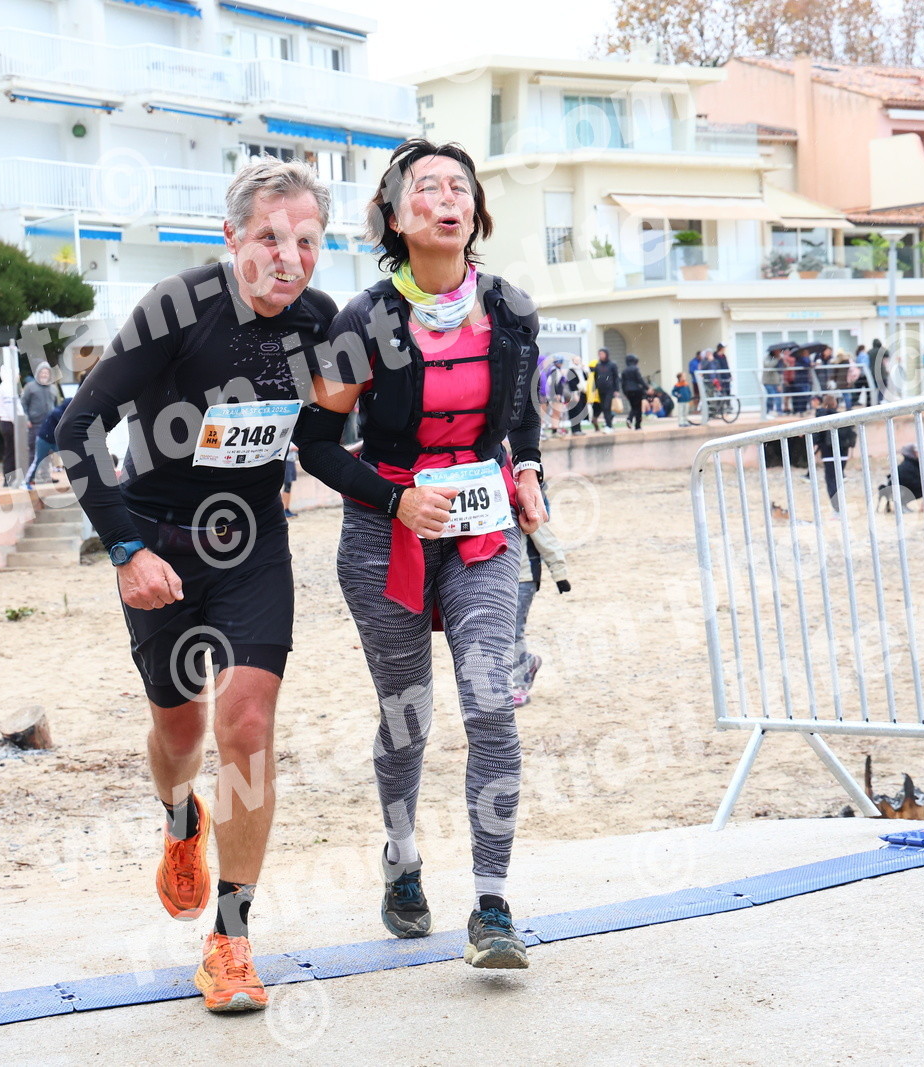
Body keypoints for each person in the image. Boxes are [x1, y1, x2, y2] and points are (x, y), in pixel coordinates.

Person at [57, 157, 337, 1014]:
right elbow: (76, 428)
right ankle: (181, 816)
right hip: (161, 546)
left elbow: (325, 432)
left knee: (246, 722)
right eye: (269, 238)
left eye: (307, 241)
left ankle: (232, 938)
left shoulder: (320, 321)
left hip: (253, 542)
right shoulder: (176, 308)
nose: (288, 257)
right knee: (178, 732)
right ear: (231, 237)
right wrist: (126, 550)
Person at [295, 139, 545, 971]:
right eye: (426, 187)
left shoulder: (510, 309)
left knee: (490, 703)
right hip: (385, 529)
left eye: (459, 187)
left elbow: (521, 418)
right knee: (407, 716)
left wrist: (530, 470)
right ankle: (402, 858)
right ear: (396, 219)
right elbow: (315, 444)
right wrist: (395, 498)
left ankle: (492, 904)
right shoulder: (363, 320)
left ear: (476, 211)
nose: (447, 198)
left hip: (482, 528)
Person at [512, 519, 569, 706]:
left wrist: (559, 574)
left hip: (523, 578)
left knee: (514, 631)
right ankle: (527, 663)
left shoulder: (520, 506)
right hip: (493, 580)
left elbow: (546, 539)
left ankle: (520, 685)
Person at [811, 392, 856, 510]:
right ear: (835, 404)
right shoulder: (842, 417)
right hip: (843, 452)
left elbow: (818, 435)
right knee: (838, 478)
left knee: (830, 480)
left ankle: (837, 508)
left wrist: (814, 449)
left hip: (828, 453)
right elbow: (852, 434)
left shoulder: (822, 416)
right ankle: (840, 506)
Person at [21, 362, 60, 484]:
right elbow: (23, 403)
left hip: (49, 425)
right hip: (35, 424)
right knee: (34, 451)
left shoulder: (53, 388)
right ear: (38, 373)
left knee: (48, 451)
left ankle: (45, 476)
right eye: (42, 372)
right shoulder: (30, 387)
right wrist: (27, 419)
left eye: (46, 372)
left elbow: (57, 406)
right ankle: (32, 476)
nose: (44, 375)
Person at [24, 395, 71, 490]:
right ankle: (27, 481)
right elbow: (65, 426)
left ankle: (77, 479)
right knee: (38, 460)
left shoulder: (62, 412)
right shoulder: (58, 413)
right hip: (44, 440)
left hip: (53, 440)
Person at [0, 367, 23, 486]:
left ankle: (10, 478)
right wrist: (18, 423)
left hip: (8, 422)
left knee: (11, 451)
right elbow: (10, 408)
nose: (19, 376)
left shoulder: (7, 386)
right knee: (11, 452)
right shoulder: (7, 387)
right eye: (17, 373)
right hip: (9, 423)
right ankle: (9, 479)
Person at [591, 347, 620, 432]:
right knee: (604, 407)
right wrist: (595, 389)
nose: (600, 355)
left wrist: (617, 390)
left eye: (602, 354)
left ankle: (609, 426)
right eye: (599, 354)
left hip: (610, 389)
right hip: (601, 389)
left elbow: (616, 377)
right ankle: (609, 425)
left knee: (607, 406)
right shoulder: (598, 365)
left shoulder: (612, 365)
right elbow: (595, 377)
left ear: (606, 354)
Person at [619, 354, 647, 429]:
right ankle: (636, 424)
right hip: (637, 390)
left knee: (634, 407)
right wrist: (647, 387)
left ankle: (630, 420)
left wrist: (625, 392)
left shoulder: (624, 371)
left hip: (628, 391)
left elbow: (622, 383)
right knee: (638, 407)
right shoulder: (635, 369)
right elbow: (640, 379)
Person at [281, 441, 299, 518]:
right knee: (287, 486)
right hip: (286, 461)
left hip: (291, 461)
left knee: (289, 486)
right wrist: (294, 448)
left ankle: (286, 508)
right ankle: (283, 510)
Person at [762, 352, 783, 416]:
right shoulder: (767, 358)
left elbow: (781, 371)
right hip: (768, 382)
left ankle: (779, 411)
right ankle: (769, 411)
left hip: (776, 382)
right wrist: (777, 359)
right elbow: (768, 366)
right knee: (771, 396)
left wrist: (783, 360)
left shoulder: (780, 359)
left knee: (778, 397)